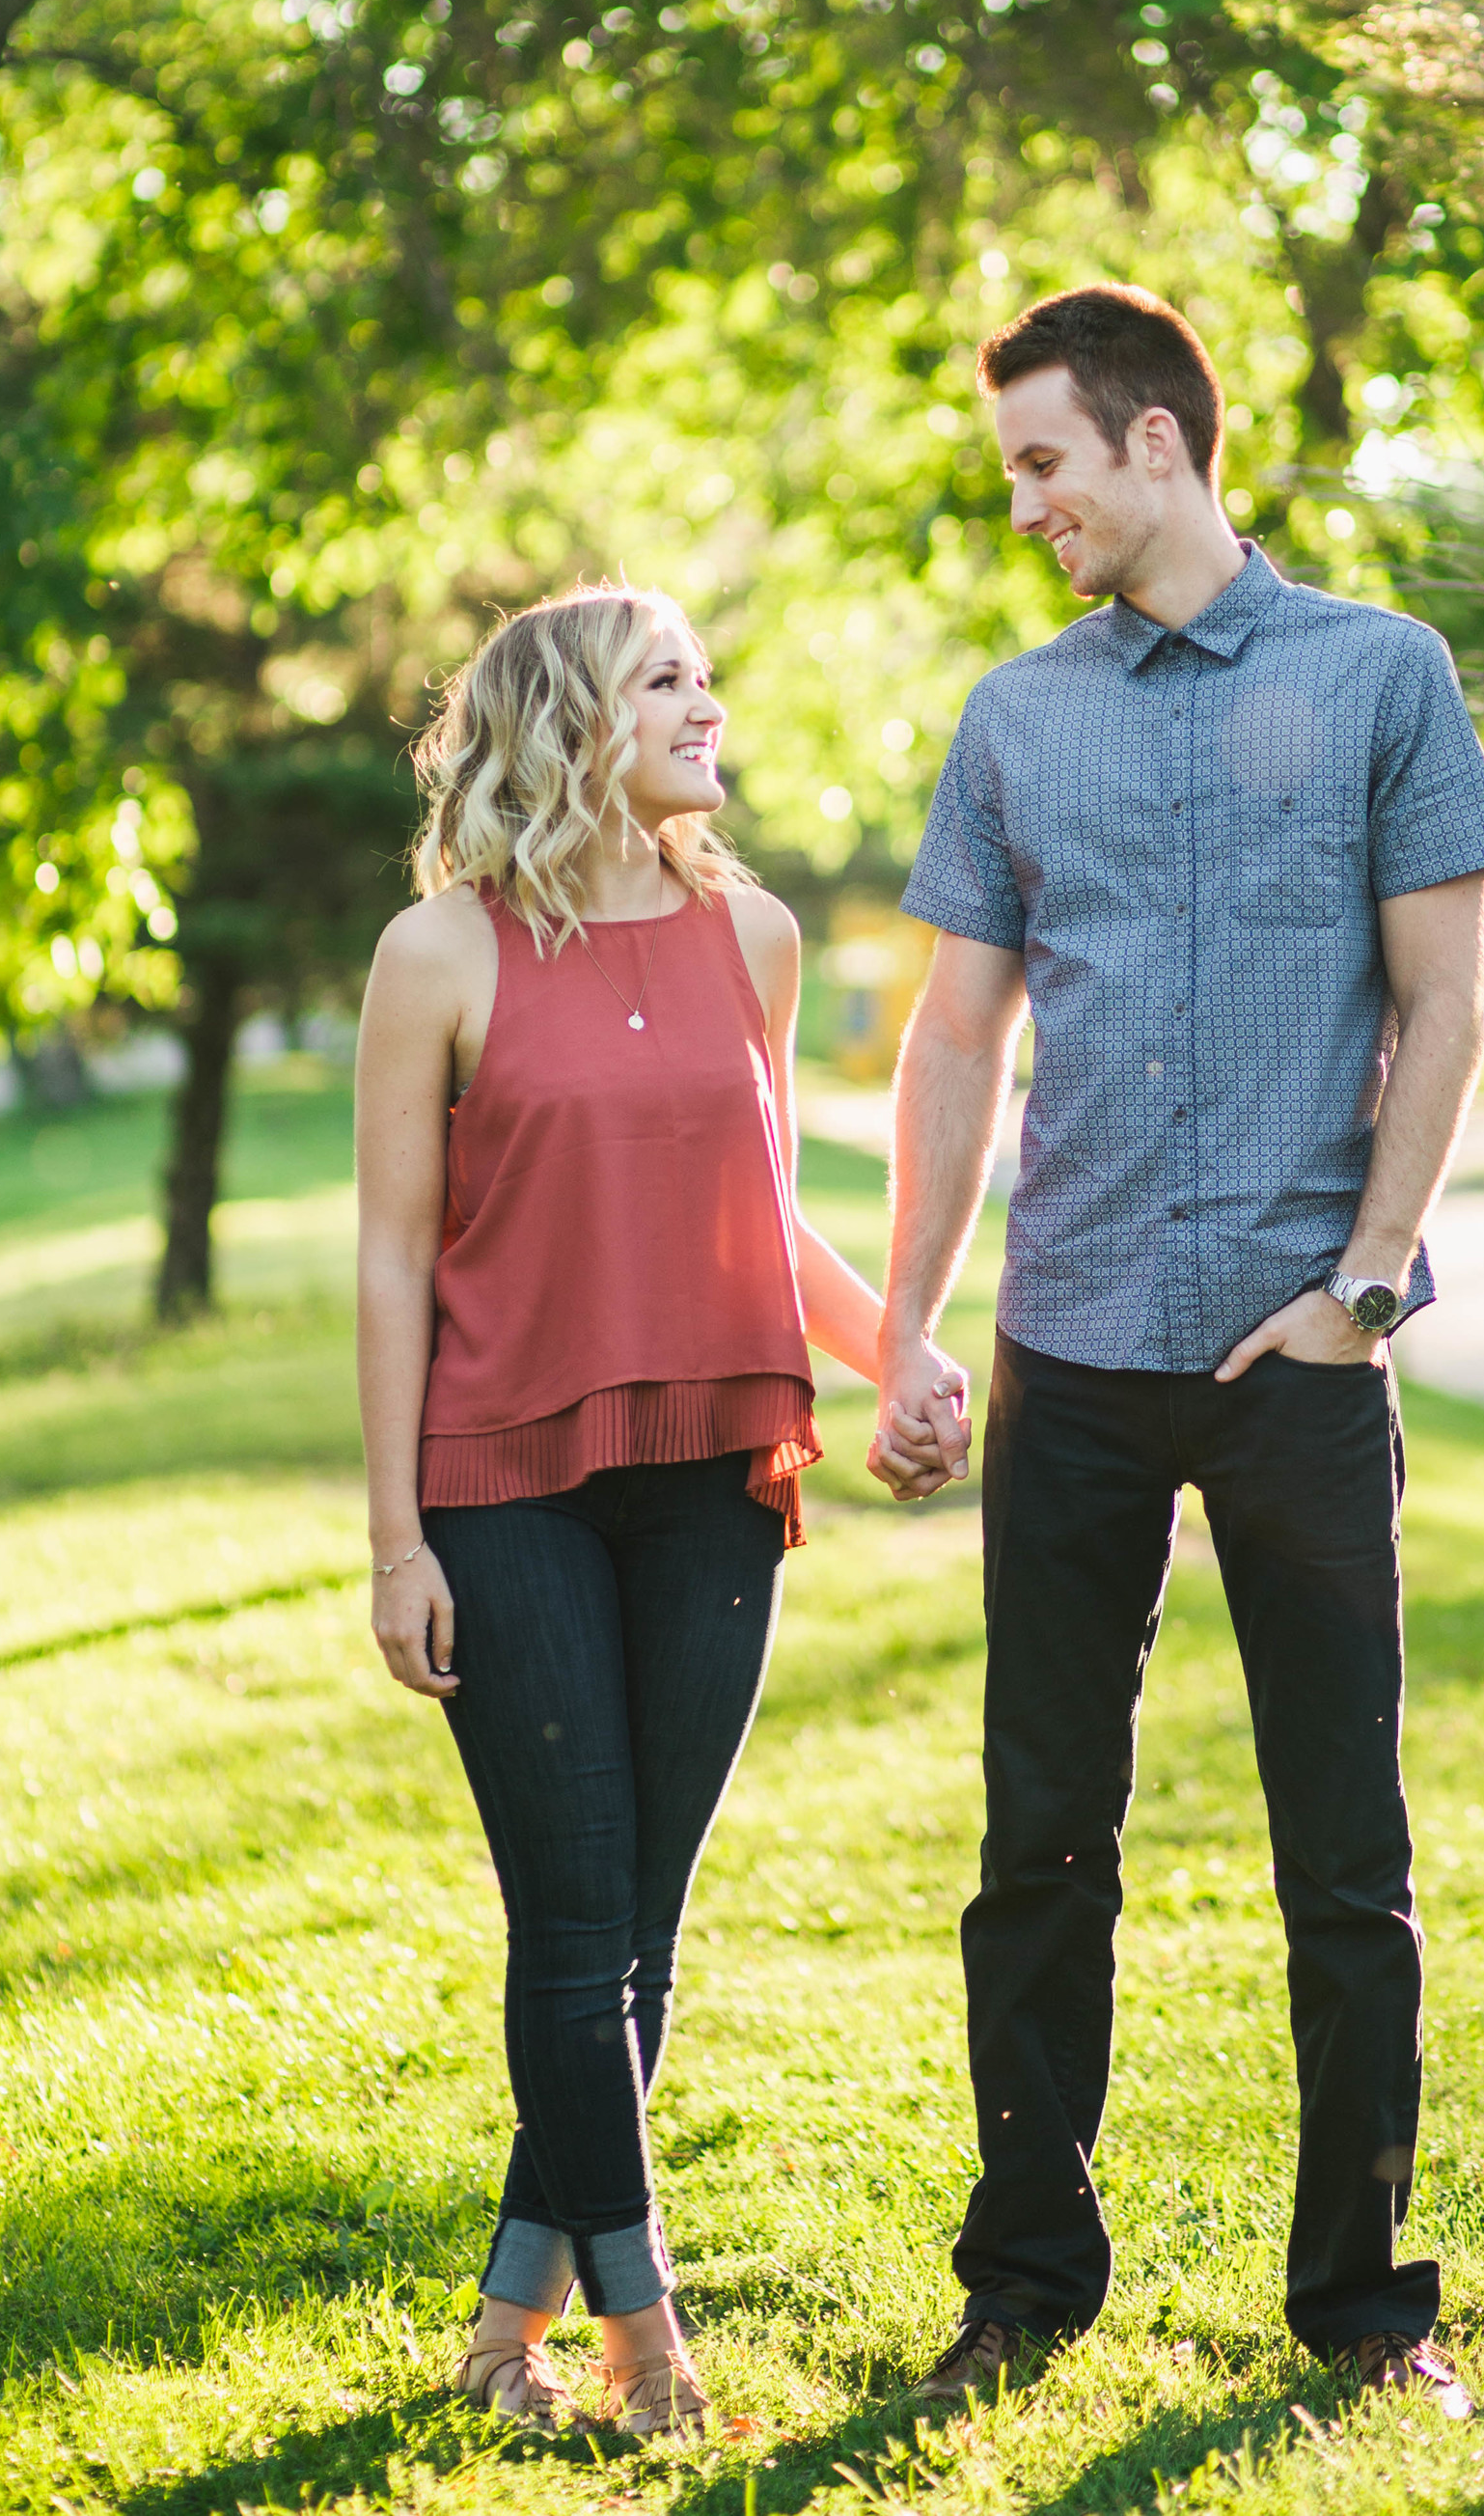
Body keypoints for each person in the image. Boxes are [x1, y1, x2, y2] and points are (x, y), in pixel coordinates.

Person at [867, 283, 1484, 2420]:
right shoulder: (1012, 719)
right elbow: (954, 1036)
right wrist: (907, 1327)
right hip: (1068, 1353)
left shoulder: (1376, 679)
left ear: (1157, 445)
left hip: (1295, 1364)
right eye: (1012, 475)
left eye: (1045, 463)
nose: (1025, 506)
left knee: (1345, 1859)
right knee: (1036, 1846)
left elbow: (1443, 1002)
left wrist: (1363, 1284)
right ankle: (1024, 2284)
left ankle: (1364, 2306)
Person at [357, 585, 970, 2443]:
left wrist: (906, 1354)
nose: (708, 702)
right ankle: (644, 2339)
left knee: (642, 1922)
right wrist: (395, 1536)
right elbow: (391, 1255)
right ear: (565, 721)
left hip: (717, 1459)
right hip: (503, 1478)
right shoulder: (437, 954)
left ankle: (501, 2325)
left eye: (710, 671)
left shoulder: (754, 936)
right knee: (569, 1921)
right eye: (665, 679)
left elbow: (761, 1210)